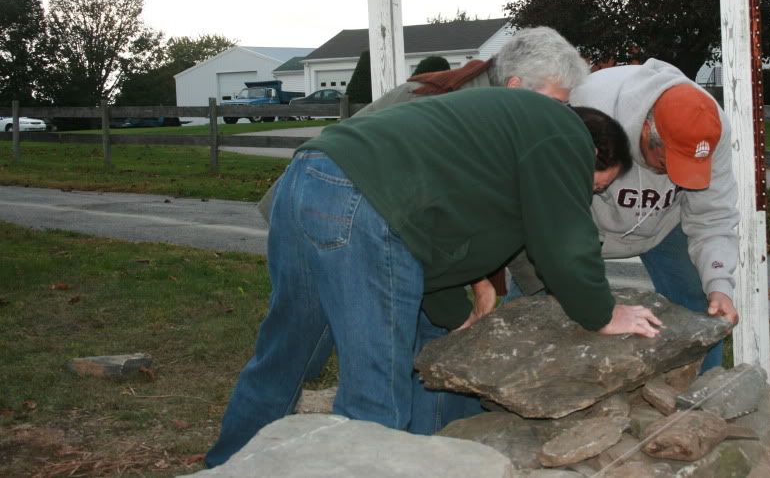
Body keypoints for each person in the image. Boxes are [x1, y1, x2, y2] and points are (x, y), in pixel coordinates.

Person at [205, 88, 662, 467]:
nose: (590, 194)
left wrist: (456, 314)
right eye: (597, 185)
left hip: (306, 178)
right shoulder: (563, 132)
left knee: (285, 358)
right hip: (365, 200)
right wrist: (601, 313)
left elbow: (427, 252)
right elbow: (562, 240)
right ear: (595, 152)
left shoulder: (500, 142)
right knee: (375, 396)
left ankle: (226, 467)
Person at [509, 58, 739, 371]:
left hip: (664, 224)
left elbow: (713, 216)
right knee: (526, 309)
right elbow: (546, 202)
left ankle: (701, 400)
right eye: (667, 162)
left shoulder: (710, 128)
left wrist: (719, 284)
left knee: (702, 307)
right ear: (646, 129)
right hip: (578, 215)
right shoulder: (587, 107)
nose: (678, 177)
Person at [255, 25, 591, 221]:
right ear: (517, 86)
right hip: (324, 204)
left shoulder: (496, 106)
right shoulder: (458, 110)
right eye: (557, 104)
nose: (562, 115)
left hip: (355, 205)